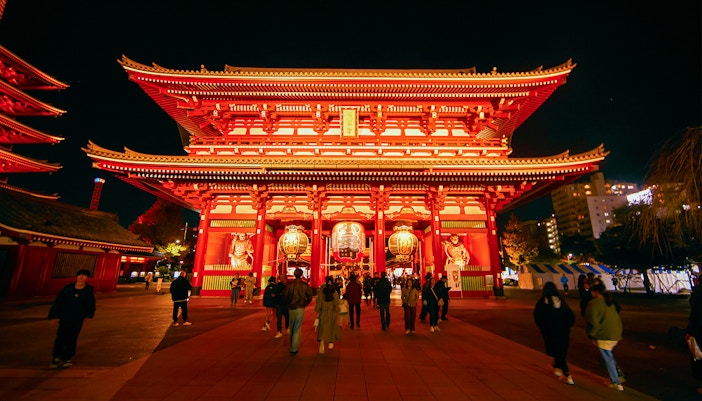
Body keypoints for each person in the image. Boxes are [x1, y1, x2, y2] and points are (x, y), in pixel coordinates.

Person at [48, 269, 96, 368]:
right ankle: (56, 357)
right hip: (65, 316)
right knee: (60, 337)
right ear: (77, 276)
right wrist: (54, 316)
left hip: (77, 318)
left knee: (72, 338)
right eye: (80, 275)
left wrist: (88, 316)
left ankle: (67, 357)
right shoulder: (68, 288)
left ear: (87, 277)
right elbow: (58, 302)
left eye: (84, 275)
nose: (81, 277)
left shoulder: (88, 290)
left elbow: (90, 304)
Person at [534, 282, 576, 385]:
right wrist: (567, 325)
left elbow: (538, 317)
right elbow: (570, 315)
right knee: (561, 351)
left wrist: (543, 328)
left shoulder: (543, 302)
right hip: (564, 330)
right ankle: (557, 367)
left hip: (550, 331)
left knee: (557, 352)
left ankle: (567, 374)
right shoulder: (561, 300)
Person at [585, 283, 624, 391]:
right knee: (610, 355)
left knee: (608, 358)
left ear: (595, 292)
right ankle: (617, 375)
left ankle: (615, 381)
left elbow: (593, 322)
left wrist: (592, 335)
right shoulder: (610, 302)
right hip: (615, 333)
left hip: (603, 334)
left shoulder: (594, 304)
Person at [281, 268, 313, 354]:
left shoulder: (289, 285)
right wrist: (305, 303)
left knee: (292, 326)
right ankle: (294, 348)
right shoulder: (304, 285)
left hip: (291, 307)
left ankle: (292, 344)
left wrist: (288, 303)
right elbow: (310, 296)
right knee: (297, 327)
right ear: (302, 275)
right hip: (300, 307)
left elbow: (284, 295)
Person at [315, 276, 341, 353]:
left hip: (323, 311)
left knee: (322, 327)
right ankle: (330, 342)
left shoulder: (322, 291)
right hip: (332, 312)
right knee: (332, 327)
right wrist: (337, 310)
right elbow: (336, 303)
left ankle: (322, 340)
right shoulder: (334, 292)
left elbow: (318, 302)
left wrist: (318, 311)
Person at [686, 273, 702, 393]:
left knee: (699, 357)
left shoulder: (698, 294)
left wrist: (691, 331)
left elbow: (695, 314)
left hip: (699, 330)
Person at [272, 274, 289, 339]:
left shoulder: (289, 285)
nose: (280, 279)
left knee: (287, 317)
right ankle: (279, 331)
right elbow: (274, 293)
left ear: (285, 278)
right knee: (279, 318)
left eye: (281, 278)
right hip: (279, 303)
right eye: (280, 278)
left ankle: (287, 327)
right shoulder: (278, 285)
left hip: (286, 304)